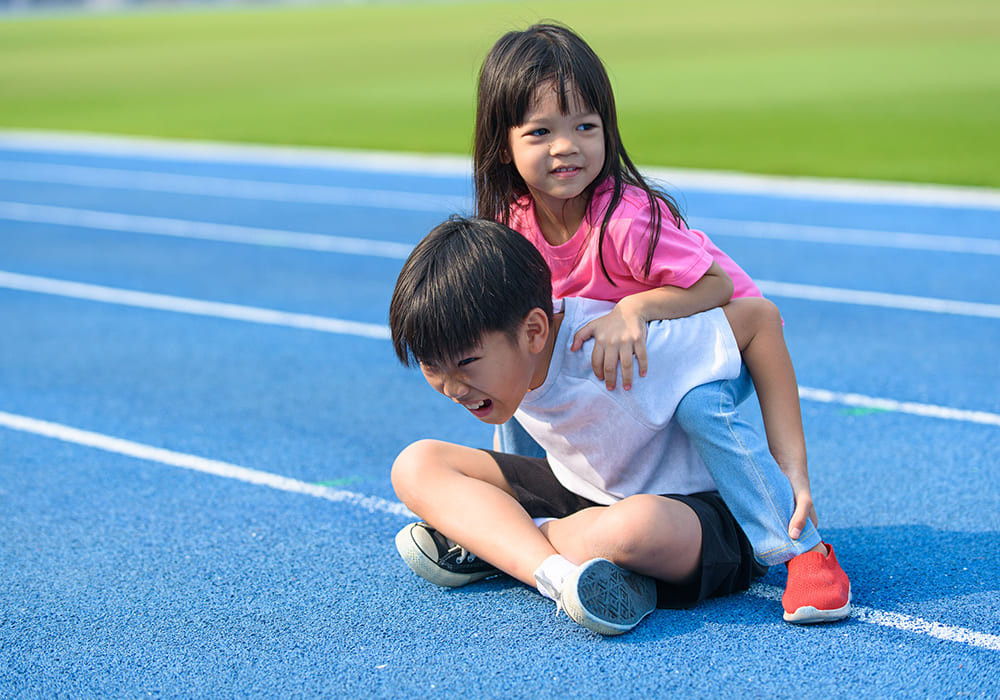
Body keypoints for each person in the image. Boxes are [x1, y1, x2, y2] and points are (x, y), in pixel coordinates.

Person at [461, 22, 850, 622]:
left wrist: (635, 308)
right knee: (519, 389)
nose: (566, 147)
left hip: (709, 333)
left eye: (584, 127)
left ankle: (802, 551)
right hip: (628, 349)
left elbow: (720, 288)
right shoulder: (511, 222)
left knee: (697, 407)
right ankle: (523, 524)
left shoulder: (625, 219)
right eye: (540, 132)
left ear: (607, 130)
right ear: (502, 142)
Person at [388, 217, 849, 636]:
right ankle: (554, 573)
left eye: (466, 362)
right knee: (416, 464)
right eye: (432, 366)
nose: (452, 387)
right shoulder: (506, 366)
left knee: (631, 531)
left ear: (534, 332)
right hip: (583, 489)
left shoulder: (613, 347)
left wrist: (791, 466)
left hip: (702, 515)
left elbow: (760, 320)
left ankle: (497, 542)